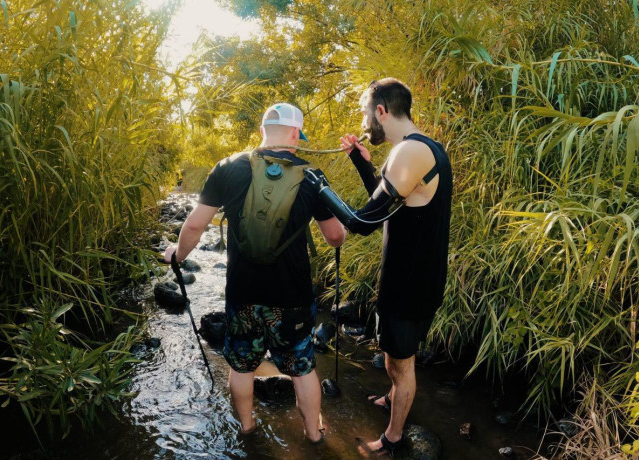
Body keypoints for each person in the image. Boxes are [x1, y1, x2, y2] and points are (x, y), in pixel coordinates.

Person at [163, 102, 346, 443]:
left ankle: (247, 429)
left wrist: (177, 254)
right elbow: (335, 237)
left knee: (242, 365)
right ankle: (313, 435)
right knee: (301, 368)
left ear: (263, 130)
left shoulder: (229, 167)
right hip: (292, 295)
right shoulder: (311, 176)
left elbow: (195, 225)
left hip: (243, 292)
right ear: (296, 134)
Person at [313, 78, 452, 457]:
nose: (364, 122)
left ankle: (391, 440)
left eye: (365, 113)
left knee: (400, 364)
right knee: (396, 358)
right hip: (414, 276)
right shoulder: (421, 148)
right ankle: (394, 400)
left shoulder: (409, 154)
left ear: (380, 111)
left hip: (411, 281)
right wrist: (362, 165)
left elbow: (362, 223)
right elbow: (389, 206)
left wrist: (320, 190)